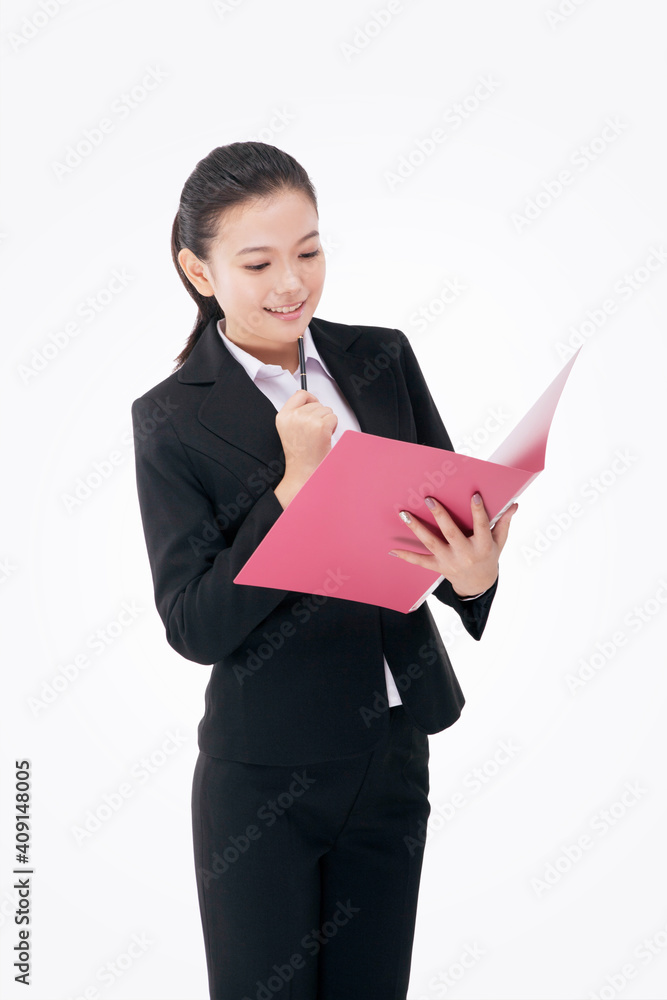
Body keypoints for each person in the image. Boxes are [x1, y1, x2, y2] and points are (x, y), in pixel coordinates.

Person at [131, 141, 518, 1000]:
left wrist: (476, 575)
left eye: (308, 251)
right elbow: (193, 623)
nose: (291, 283)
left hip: (391, 749)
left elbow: (446, 520)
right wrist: (295, 487)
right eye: (258, 261)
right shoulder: (167, 419)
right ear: (199, 270)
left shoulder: (382, 355)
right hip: (263, 772)